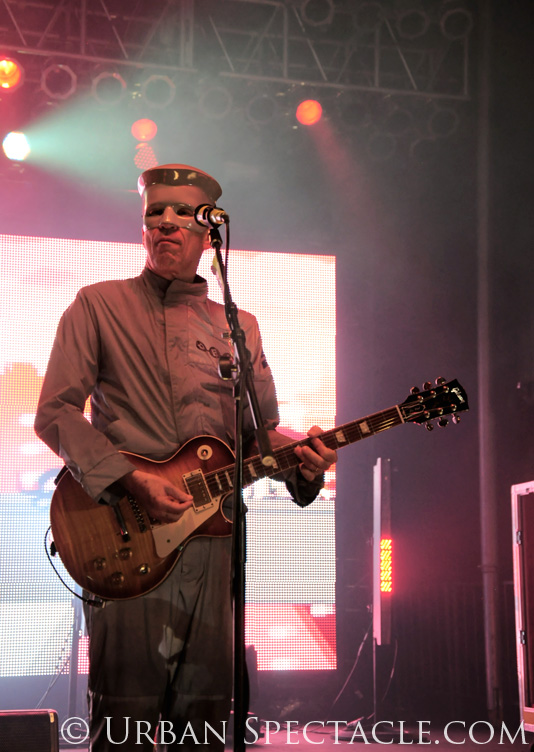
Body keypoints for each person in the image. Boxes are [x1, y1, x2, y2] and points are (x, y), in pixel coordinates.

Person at [34, 164, 337, 751]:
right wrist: (132, 480)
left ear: (208, 230)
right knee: (125, 720)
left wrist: (305, 463)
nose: (166, 223)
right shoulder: (97, 305)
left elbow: (258, 436)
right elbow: (55, 412)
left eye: (180, 213)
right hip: (129, 537)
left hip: (216, 546)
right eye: (155, 213)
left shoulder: (239, 327)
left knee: (205, 720)